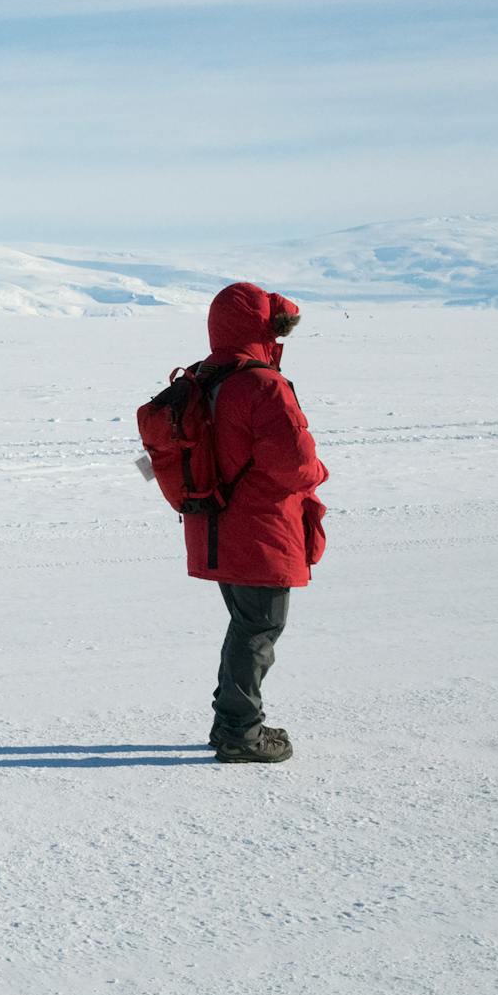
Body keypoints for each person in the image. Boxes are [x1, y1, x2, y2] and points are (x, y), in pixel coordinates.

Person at [189, 281, 329, 764]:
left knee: (247, 624)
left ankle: (231, 722)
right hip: (261, 526)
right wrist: (321, 471)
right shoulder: (263, 385)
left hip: (214, 524)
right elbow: (295, 463)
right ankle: (239, 733)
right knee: (259, 629)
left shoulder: (206, 376)